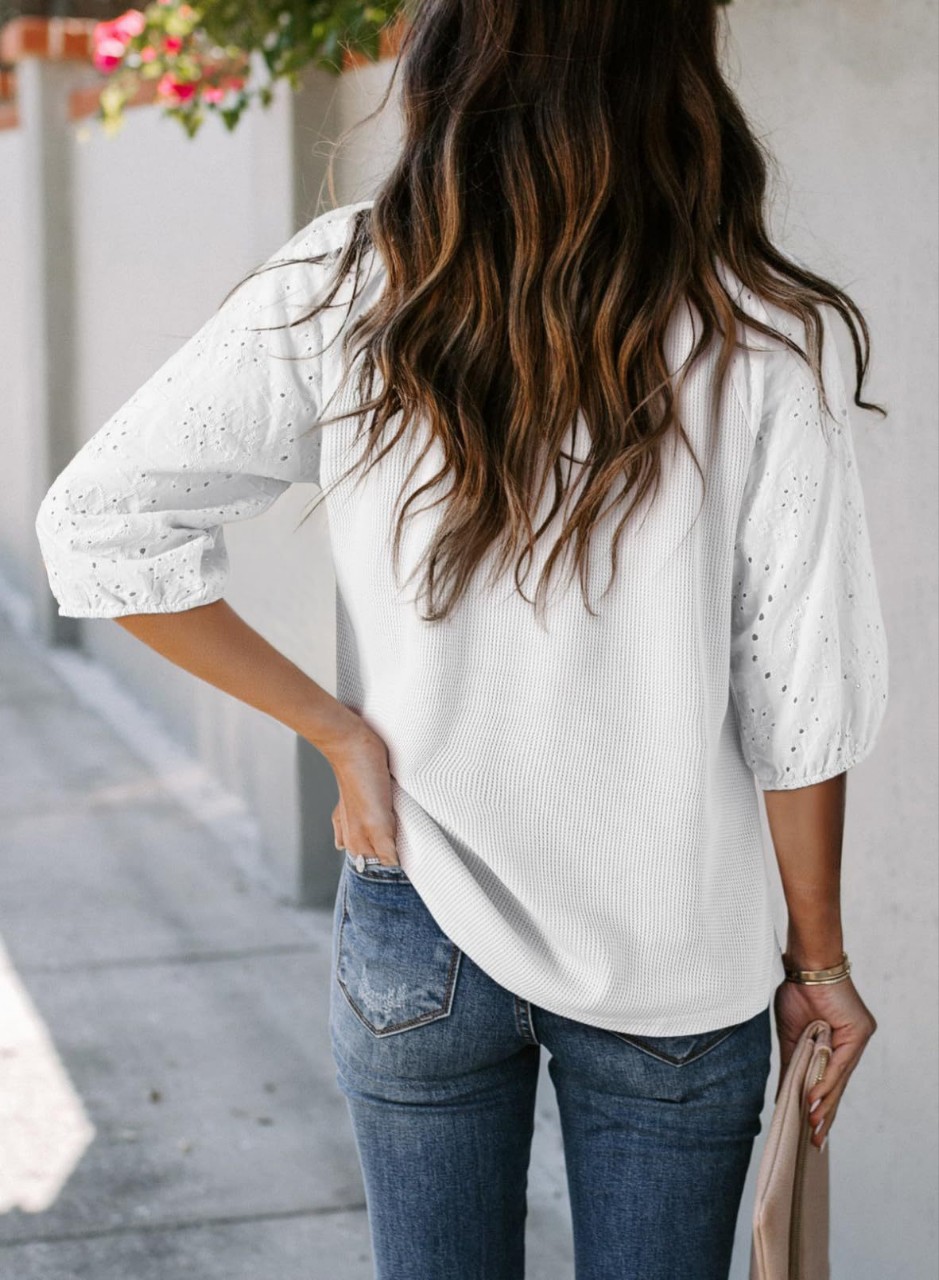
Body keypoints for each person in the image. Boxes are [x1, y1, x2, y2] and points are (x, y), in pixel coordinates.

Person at [34, 2, 889, 1276]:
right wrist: (819, 959)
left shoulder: (346, 283)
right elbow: (798, 695)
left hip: (417, 905)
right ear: (675, 61)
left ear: (454, 52)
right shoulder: (760, 327)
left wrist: (337, 734)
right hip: (673, 936)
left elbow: (96, 523)